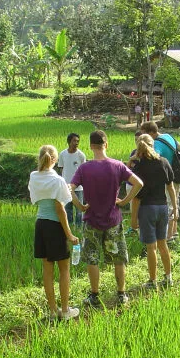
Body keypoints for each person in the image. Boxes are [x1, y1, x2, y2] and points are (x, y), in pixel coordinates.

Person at [70, 130, 143, 307]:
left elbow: (69, 188)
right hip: (113, 220)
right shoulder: (117, 166)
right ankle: (121, 294)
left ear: (90, 146)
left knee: (92, 258)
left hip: (92, 220)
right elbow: (139, 183)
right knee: (118, 258)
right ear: (106, 144)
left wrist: (80, 206)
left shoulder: (84, 168)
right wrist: (124, 201)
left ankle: (94, 296)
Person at [28, 145, 81, 320]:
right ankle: (65, 310)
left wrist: (64, 188)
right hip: (55, 226)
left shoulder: (34, 177)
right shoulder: (58, 180)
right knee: (64, 269)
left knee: (47, 269)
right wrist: (69, 234)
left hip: (41, 225)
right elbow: (60, 209)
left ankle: (52, 311)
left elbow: (40, 198)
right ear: (55, 159)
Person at [130, 133, 175, 289]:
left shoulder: (139, 167)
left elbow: (137, 198)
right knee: (163, 244)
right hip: (162, 207)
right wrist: (175, 207)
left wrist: (133, 218)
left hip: (147, 209)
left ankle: (152, 281)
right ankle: (169, 278)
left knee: (151, 247)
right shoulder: (163, 162)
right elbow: (170, 187)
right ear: (153, 145)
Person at [141, 120, 180, 242]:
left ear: (152, 133)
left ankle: (168, 237)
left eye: (145, 135)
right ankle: (174, 232)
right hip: (176, 175)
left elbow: (153, 158)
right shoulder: (167, 136)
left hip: (165, 177)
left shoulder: (156, 144)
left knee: (168, 205)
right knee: (175, 202)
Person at [56, 133, 86, 229]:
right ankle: (69, 229)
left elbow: (83, 172)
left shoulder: (81, 155)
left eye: (78, 141)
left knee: (79, 211)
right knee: (67, 210)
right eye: (74, 141)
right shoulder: (63, 154)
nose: (76, 143)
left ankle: (78, 229)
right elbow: (61, 169)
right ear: (69, 142)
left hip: (78, 188)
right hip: (66, 187)